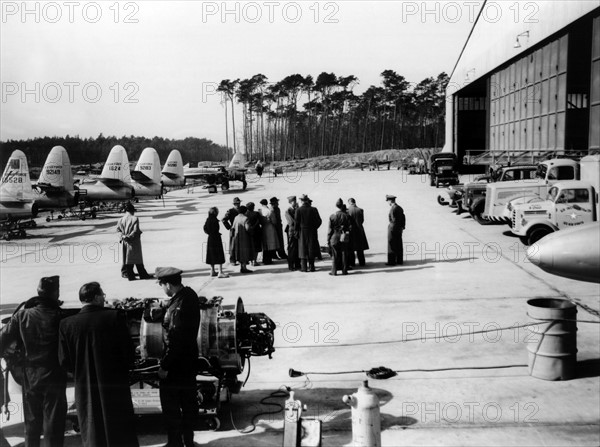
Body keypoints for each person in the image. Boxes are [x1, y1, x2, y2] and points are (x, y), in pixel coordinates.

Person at [58, 282, 139, 447]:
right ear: (95, 297)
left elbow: (64, 361)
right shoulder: (114, 317)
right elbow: (128, 354)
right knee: (119, 428)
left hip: (85, 385)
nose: (104, 297)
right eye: (102, 294)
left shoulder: (66, 324)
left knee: (92, 426)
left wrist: (81, 370)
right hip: (114, 384)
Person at [0, 276, 67, 447]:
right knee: (54, 422)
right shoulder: (61, 317)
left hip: (30, 376)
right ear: (55, 293)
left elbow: (2, 342)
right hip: (54, 375)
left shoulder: (22, 316)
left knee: (31, 423)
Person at [155, 267, 204, 447]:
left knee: (171, 406)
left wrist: (165, 366)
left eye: (162, 286)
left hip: (176, 365)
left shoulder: (177, 308)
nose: (163, 289)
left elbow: (174, 340)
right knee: (189, 403)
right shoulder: (189, 295)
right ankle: (188, 441)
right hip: (189, 360)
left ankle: (175, 443)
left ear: (168, 284)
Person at [117, 202, 153, 281]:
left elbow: (118, 230)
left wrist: (123, 237)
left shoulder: (121, 219)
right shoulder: (135, 218)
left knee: (127, 258)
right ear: (132, 210)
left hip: (125, 242)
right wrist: (129, 237)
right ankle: (142, 274)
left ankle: (131, 275)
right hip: (133, 241)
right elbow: (135, 230)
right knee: (137, 258)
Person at [294, 194, 322, 272]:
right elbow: (319, 221)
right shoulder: (314, 209)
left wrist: (296, 231)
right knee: (311, 248)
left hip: (302, 232)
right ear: (307, 200)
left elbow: (296, 223)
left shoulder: (298, 210)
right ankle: (312, 267)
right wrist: (314, 227)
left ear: (301, 201)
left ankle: (304, 268)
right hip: (312, 231)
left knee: (303, 249)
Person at [327, 199, 352, 276]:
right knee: (344, 254)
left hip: (334, 236)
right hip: (343, 236)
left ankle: (334, 271)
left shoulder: (332, 216)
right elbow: (350, 227)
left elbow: (330, 230)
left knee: (335, 255)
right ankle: (344, 271)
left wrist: (328, 239)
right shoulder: (347, 216)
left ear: (336, 206)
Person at [203, 207, 229, 278]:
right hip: (216, 239)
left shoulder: (208, 220)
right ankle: (220, 272)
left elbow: (204, 228)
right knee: (219, 254)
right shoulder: (214, 220)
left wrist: (209, 233)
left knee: (211, 254)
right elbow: (216, 229)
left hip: (210, 238)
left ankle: (212, 271)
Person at [231, 205, 254, 273]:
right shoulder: (245, 218)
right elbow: (248, 228)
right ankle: (244, 268)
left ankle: (242, 267)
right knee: (245, 252)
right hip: (245, 238)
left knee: (239, 253)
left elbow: (233, 227)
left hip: (237, 238)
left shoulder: (236, 218)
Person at [347, 198, 369, 267]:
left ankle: (352, 263)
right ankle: (362, 262)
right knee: (360, 248)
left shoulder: (347, 210)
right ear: (354, 202)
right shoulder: (360, 210)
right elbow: (362, 220)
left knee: (351, 248)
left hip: (351, 231)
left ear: (349, 202)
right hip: (359, 230)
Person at [386, 195, 406, 266]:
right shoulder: (400, 208)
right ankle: (399, 260)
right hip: (399, 228)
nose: (388, 203)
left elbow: (393, 220)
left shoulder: (393, 209)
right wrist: (402, 227)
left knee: (391, 244)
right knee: (399, 244)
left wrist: (391, 229)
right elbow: (403, 218)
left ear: (390, 201)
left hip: (393, 228)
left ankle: (391, 261)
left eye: (388, 201)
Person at [259, 199, 280, 265]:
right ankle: (268, 259)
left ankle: (265, 259)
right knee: (270, 244)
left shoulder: (260, 211)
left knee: (265, 244)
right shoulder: (269, 211)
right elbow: (274, 221)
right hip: (270, 227)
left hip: (263, 227)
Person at [222, 197, 241, 265]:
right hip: (233, 230)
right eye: (236, 204)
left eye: (238, 203)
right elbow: (224, 220)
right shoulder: (230, 211)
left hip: (241, 229)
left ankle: (239, 258)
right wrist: (230, 227)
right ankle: (232, 260)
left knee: (241, 244)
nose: (238, 205)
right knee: (233, 245)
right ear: (234, 204)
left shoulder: (242, 210)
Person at [284, 195, 301, 271]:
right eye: (294, 201)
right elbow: (291, 222)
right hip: (292, 231)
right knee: (291, 248)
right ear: (291, 202)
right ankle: (291, 265)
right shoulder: (288, 210)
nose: (295, 202)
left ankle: (297, 264)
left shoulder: (295, 209)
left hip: (296, 230)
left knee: (297, 248)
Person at [245, 202, 262, 266]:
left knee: (250, 247)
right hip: (256, 232)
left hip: (249, 232)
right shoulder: (256, 213)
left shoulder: (245, 214)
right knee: (256, 247)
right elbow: (260, 221)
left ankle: (251, 261)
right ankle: (254, 261)